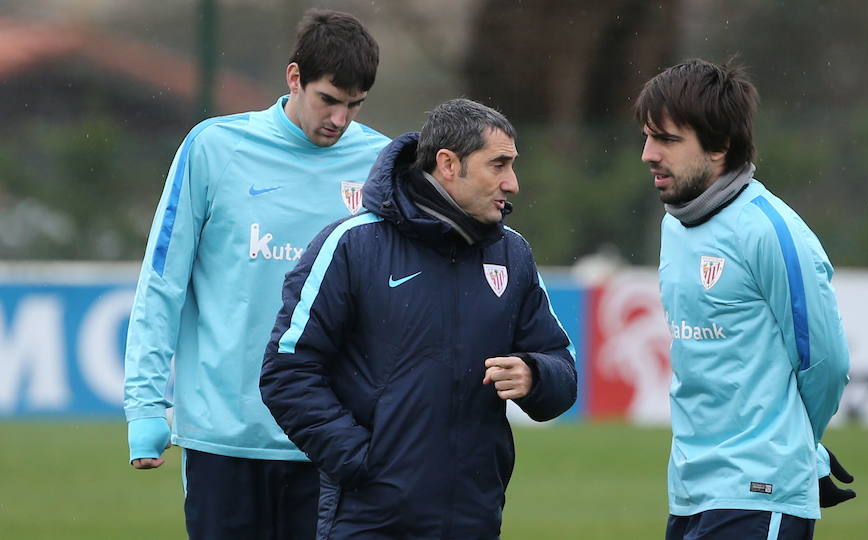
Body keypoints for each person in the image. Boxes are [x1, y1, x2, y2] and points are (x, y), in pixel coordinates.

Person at [123, 9, 389, 539]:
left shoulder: (382, 163)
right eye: (328, 100)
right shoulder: (213, 148)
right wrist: (145, 404)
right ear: (295, 79)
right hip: (223, 437)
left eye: (354, 105)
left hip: (331, 438)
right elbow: (162, 281)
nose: (339, 120)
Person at [259, 98, 577, 539]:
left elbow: (562, 366)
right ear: (449, 164)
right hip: (369, 520)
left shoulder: (513, 254)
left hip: (473, 517)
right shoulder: (352, 245)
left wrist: (535, 374)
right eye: (498, 165)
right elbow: (288, 371)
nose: (513, 183)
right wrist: (363, 462)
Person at [635, 58, 856, 540]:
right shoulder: (675, 224)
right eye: (648, 137)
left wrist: (797, 447)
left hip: (760, 494)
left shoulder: (771, 232)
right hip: (692, 491)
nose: (648, 154)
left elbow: (827, 364)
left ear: (719, 147)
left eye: (668, 140)